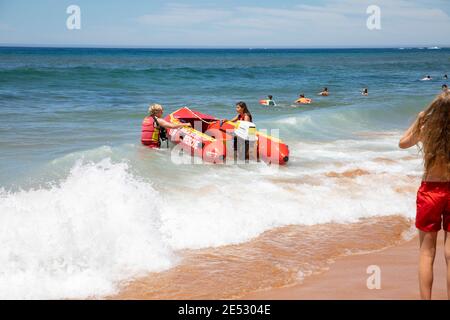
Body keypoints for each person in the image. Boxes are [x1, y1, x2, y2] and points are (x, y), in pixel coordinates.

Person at [399, 91, 450, 300]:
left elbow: (403, 143)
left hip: (431, 190)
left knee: (427, 253)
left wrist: (419, 119)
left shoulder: (428, 129)